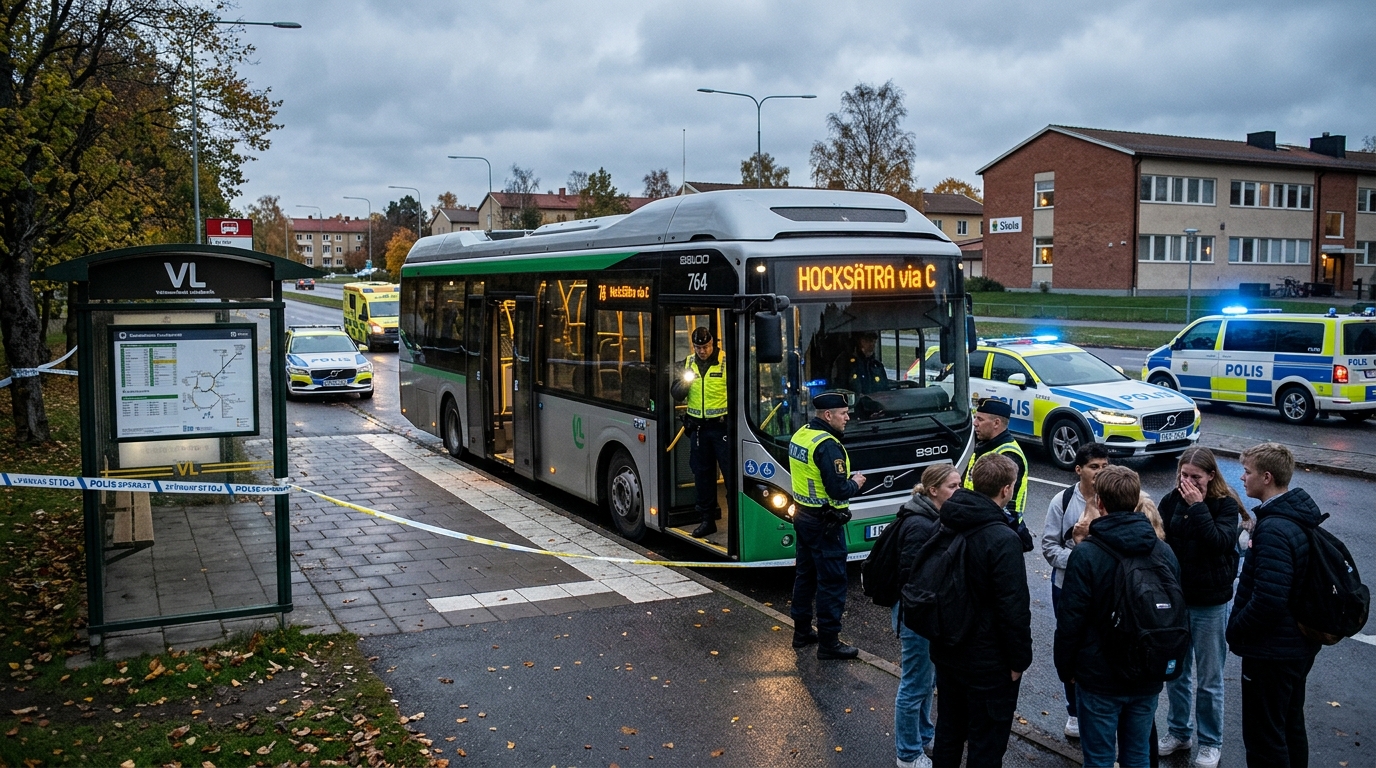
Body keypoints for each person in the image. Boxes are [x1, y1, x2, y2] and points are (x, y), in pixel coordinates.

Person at [1054, 465, 1180, 768]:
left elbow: (1071, 621)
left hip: (1099, 676)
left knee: (1098, 757)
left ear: (1100, 503)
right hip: (1147, 670)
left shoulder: (1087, 554)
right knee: (1137, 755)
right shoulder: (1163, 552)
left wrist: (1066, 668)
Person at [928, 453, 1032, 767]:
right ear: (1006, 490)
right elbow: (1012, 607)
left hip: (948, 649)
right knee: (986, 744)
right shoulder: (1002, 538)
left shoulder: (947, 520)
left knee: (948, 731)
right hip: (988, 661)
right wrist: (1018, 660)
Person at [1228, 442, 1322, 767]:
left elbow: (1268, 600)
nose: (1242, 478)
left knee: (1264, 740)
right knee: (1290, 727)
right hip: (1296, 648)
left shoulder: (1273, 529)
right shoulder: (1295, 516)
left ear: (1266, 477)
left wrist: (1235, 630)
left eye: (1248, 471)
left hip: (1271, 654)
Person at [1156, 447, 1242, 768]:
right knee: (1176, 672)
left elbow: (1219, 543)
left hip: (1210, 602)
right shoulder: (1169, 501)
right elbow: (1161, 542)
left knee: (1209, 678)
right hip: (1177, 599)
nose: (1188, 482)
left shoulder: (1225, 505)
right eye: (1184, 475)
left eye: (1196, 477)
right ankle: (1179, 731)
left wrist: (1197, 506)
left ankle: (1210, 741)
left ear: (1211, 476)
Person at [891, 463, 962, 768]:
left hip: (921, 613)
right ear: (933, 490)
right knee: (915, 683)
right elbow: (914, 579)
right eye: (953, 487)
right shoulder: (921, 524)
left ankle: (922, 735)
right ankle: (907, 754)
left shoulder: (930, 516)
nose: (960, 491)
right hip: (917, 615)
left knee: (925, 679)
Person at [1040, 443, 1112, 740]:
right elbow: (1049, 546)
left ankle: (1101, 708)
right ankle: (1074, 710)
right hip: (1066, 586)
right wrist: (1082, 561)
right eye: (1094, 467)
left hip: (1106, 588)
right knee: (1071, 644)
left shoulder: (1114, 497)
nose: (1100, 473)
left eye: (1105, 467)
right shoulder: (1063, 500)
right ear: (1078, 469)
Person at [788, 392, 867, 660]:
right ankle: (829, 643)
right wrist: (855, 483)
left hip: (803, 516)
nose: (848, 418)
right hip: (825, 523)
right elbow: (837, 489)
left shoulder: (802, 435)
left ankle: (801, 632)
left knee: (805, 576)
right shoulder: (828, 445)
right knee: (832, 581)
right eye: (843, 413)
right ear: (828, 415)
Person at [671, 326, 730, 538]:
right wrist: (685, 384)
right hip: (698, 429)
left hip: (721, 427)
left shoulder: (725, 361)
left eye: (705, 347)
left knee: (730, 474)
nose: (702, 351)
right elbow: (676, 394)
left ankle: (736, 521)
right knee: (702, 475)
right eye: (698, 347)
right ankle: (707, 520)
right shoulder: (688, 363)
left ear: (712, 343)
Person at [964, 399, 1034, 552]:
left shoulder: (1007, 454)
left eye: (980, 419)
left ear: (996, 423)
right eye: (975, 417)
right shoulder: (986, 445)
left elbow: (1002, 502)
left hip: (999, 527)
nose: (975, 423)